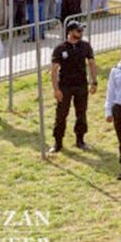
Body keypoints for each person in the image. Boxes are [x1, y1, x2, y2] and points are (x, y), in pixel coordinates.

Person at [48, 21, 97, 154]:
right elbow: (54, 70)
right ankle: (58, 142)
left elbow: (92, 63)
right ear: (70, 32)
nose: (81, 33)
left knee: (81, 113)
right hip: (65, 86)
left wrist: (94, 82)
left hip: (81, 85)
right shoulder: (60, 48)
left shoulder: (85, 46)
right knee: (61, 114)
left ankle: (80, 140)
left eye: (81, 31)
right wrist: (56, 89)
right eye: (78, 31)